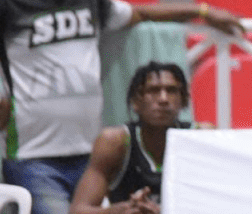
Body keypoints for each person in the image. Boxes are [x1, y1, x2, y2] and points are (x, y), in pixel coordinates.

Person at [0, 0, 243, 214]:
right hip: (33, 158)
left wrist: (203, 10)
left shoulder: (90, 3)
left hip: (91, 156)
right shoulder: (5, 5)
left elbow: (142, 13)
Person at [69, 61, 196, 214]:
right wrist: (119, 210)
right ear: (135, 102)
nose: (163, 99)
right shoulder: (114, 142)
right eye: (153, 90)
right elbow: (78, 210)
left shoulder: (198, 138)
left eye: (172, 91)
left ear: (183, 100)